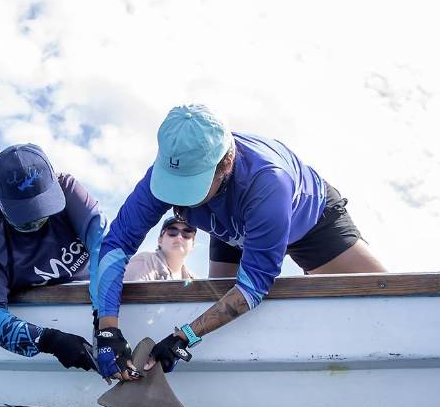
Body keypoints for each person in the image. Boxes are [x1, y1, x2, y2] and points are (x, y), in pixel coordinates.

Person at [90, 104, 385, 380]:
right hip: (228, 228)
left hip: (310, 222)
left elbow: (253, 287)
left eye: (191, 187)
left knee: (380, 293)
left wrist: (184, 337)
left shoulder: (269, 182)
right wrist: (107, 331)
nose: (177, 199)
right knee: (216, 305)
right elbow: (116, 245)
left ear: (227, 162)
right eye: (175, 186)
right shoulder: (166, 171)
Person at [0, 143, 104, 371]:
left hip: (91, 292)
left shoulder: (70, 191)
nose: (37, 220)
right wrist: (49, 340)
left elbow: (105, 249)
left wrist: (105, 320)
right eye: (26, 214)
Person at [123, 216, 198, 282]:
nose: (179, 237)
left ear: (193, 245)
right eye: (172, 231)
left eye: (187, 233)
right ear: (160, 240)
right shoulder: (145, 261)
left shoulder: (193, 279)